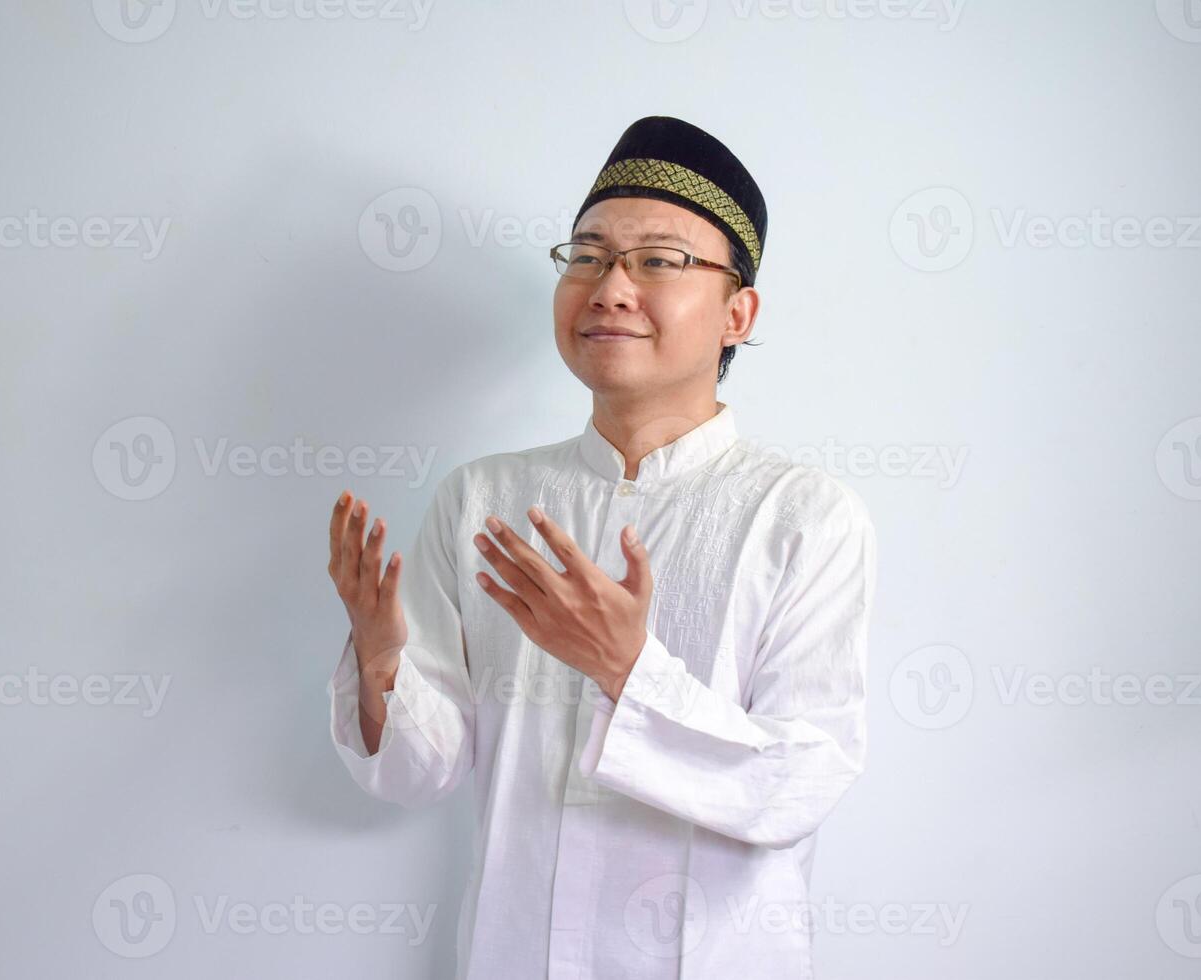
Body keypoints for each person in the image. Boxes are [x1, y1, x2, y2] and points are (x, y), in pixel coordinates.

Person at [324, 115, 877, 979]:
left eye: (658, 260)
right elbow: (415, 776)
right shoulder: (484, 500)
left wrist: (628, 671)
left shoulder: (802, 516)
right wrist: (382, 663)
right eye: (585, 256)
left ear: (739, 311)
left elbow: (800, 784)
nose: (610, 287)